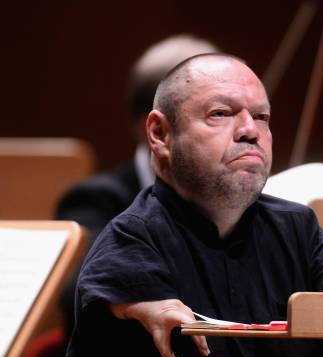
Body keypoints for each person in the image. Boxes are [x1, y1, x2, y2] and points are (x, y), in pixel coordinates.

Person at [66, 54, 323, 357]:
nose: (251, 130)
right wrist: (140, 306)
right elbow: (119, 297)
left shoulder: (299, 227)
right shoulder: (132, 236)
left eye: (262, 117)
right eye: (220, 113)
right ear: (160, 133)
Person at [55, 34, 219, 337]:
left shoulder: (245, 202)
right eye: (215, 114)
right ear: (157, 130)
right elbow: (82, 293)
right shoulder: (94, 201)